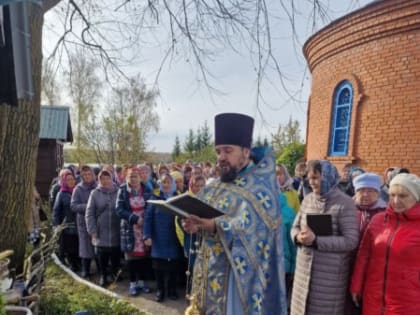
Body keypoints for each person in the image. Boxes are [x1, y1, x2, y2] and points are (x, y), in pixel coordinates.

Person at [182, 113, 286, 314]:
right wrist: (193, 224)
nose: (221, 157)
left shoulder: (261, 189)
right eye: (218, 151)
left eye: (228, 151)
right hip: (210, 272)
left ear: (246, 152)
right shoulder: (216, 185)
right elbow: (200, 213)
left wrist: (214, 225)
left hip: (237, 284)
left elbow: (258, 232)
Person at [290, 160, 359, 315]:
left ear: (328, 177)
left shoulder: (344, 203)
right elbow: (295, 227)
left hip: (329, 279)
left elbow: (351, 240)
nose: (311, 182)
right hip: (303, 274)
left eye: (315, 177)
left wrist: (317, 241)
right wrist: (297, 237)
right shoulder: (307, 199)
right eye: (309, 177)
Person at [350, 173, 420, 315]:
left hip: (408, 301)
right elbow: (363, 256)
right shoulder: (378, 220)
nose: (395, 200)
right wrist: (356, 286)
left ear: (416, 198)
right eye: (392, 195)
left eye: (403, 196)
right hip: (373, 297)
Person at [143, 173, 183, 302]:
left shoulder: (178, 198)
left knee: (173, 266)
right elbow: (148, 219)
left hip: (174, 238)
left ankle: (171, 290)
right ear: (160, 183)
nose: (166, 184)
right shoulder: (154, 197)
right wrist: (147, 235)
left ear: (173, 184)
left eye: (168, 182)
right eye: (163, 182)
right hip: (158, 237)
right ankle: (160, 290)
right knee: (158, 266)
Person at [116, 167, 153, 296]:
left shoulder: (147, 189)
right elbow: (119, 210)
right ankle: (132, 284)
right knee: (131, 258)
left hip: (144, 227)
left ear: (140, 177)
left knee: (143, 257)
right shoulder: (122, 191)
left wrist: (145, 220)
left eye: (135, 176)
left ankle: (142, 282)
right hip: (129, 228)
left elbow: (151, 206)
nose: (133, 179)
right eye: (131, 176)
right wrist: (135, 219)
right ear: (127, 178)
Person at [85, 170, 120, 287]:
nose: (105, 181)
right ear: (99, 180)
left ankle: (115, 274)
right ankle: (103, 276)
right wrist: (92, 230)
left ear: (112, 179)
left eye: (107, 178)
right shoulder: (95, 193)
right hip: (101, 229)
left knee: (115, 252)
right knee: (101, 254)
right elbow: (89, 213)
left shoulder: (118, 191)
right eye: (102, 179)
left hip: (116, 229)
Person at [71, 165, 97, 278]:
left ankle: (101, 269)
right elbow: (73, 206)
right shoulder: (78, 189)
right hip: (83, 221)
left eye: (89, 174)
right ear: (81, 176)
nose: (87, 176)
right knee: (85, 247)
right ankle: (85, 269)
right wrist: (88, 207)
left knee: (97, 244)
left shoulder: (97, 187)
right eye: (85, 174)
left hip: (96, 220)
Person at [53, 172, 80, 271]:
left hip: (79, 224)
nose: (71, 181)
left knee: (78, 245)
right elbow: (56, 211)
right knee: (70, 247)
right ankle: (73, 264)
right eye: (68, 180)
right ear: (64, 181)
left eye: (72, 179)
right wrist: (56, 225)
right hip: (68, 225)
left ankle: (78, 263)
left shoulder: (78, 191)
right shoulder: (61, 194)